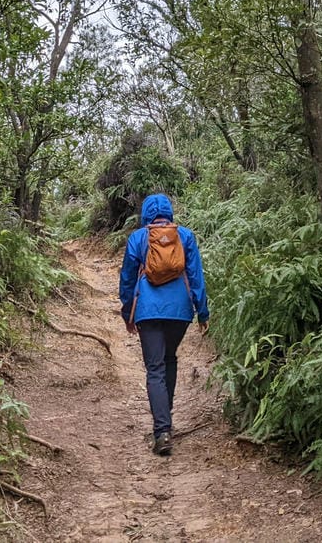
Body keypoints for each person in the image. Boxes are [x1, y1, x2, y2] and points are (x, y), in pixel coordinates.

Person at [118, 193, 209, 456]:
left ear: (145, 213)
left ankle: (162, 432)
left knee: (154, 368)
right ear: (170, 212)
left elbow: (126, 280)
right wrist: (202, 312)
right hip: (180, 311)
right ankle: (165, 422)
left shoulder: (138, 238)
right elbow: (196, 276)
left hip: (147, 311)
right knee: (169, 359)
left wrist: (128, 314)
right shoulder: (185, 236)